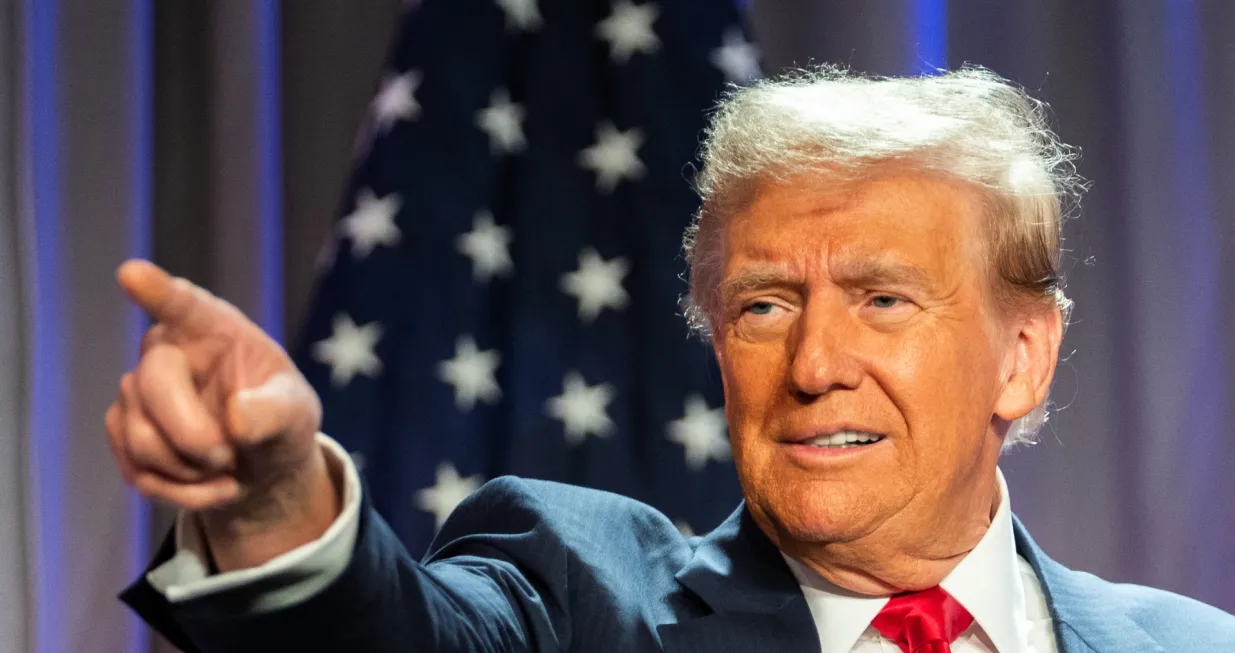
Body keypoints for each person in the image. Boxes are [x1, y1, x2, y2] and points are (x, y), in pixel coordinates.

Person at [111, 67, 1235, 653]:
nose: (812, 363)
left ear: (1021, 357)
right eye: (761, 304)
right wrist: (270, 500)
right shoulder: (575, 596)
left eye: (881, 298)